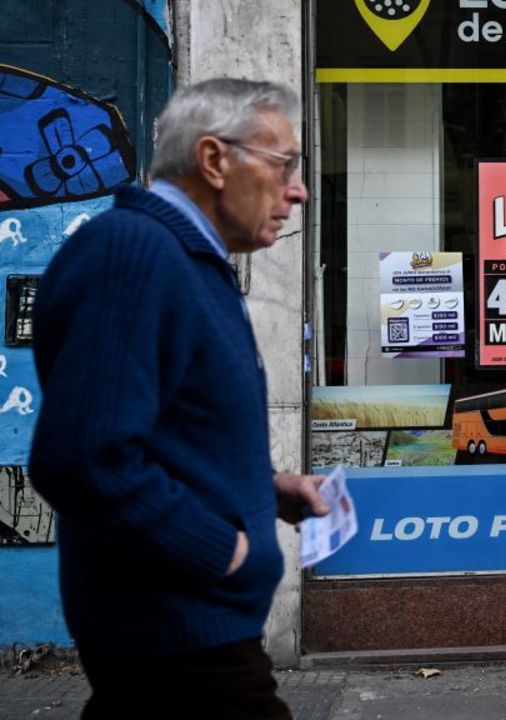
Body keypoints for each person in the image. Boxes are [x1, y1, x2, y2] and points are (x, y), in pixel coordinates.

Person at [29, 78, 326, 719]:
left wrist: (259, 486)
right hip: (180, 644)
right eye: (285, 166)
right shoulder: (134, 254)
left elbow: (159, 432)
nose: (298, 190)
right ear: (215, 161)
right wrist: (220, 550)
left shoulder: (184, 260)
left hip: (189, 640)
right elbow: (83, 459)